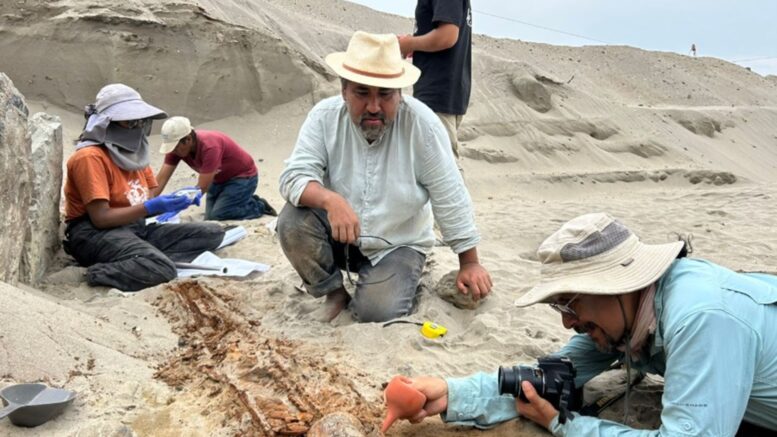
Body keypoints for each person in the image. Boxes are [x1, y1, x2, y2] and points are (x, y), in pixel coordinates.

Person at [396, 213, 777, 436]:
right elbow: (551, 377)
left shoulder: (700, 319)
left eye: (570, 302)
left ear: (618, 286)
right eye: (558, 306)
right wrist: (451, 394)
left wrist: (564, 425)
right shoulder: (626, 318)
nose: (567, 322)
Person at [277, 31, 492, 323]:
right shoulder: (324, 117)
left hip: (398, 243)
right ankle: (334, 292)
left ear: (400, 93)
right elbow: (293, 177)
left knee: (375, 312)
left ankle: (403, 277)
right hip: (341, 236)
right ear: (344, 91)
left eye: (385, 94)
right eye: (362, 93)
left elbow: (449, 194)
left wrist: (470, 263)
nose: (374, 106)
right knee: (291, 221)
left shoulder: (422, 125)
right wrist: (331, 200)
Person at [63, 84, 225, 292]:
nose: (137, 127)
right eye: (130, 122)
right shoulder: (90, 157)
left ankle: (137, 254)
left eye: (140, 121)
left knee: (213, 233)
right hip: (94, 233)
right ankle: (94, 272)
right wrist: (152, 207)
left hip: (133, 228)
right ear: (107, 123)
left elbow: (146, 196)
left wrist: (177, 200)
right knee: (162, 269)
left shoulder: (135, 154)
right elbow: (101, 218)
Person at [154, 116, 276, 221]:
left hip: (242, 178)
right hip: (217, 179)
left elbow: (201, 188)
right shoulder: (175, 149)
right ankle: (239, 200)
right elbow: (161, 180)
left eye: (175, 147)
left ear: (188, 140)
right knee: (209, 217)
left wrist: (176, 207)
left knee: (219, 214)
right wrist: (147, 205)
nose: (172, 151)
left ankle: (258, 205)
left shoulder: (210, 146)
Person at [398, 0, 472, 158]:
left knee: (442, 165)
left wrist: (409, 43)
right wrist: (414, 44)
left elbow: (447, 36)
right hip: (444, 90)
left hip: (437, 91)